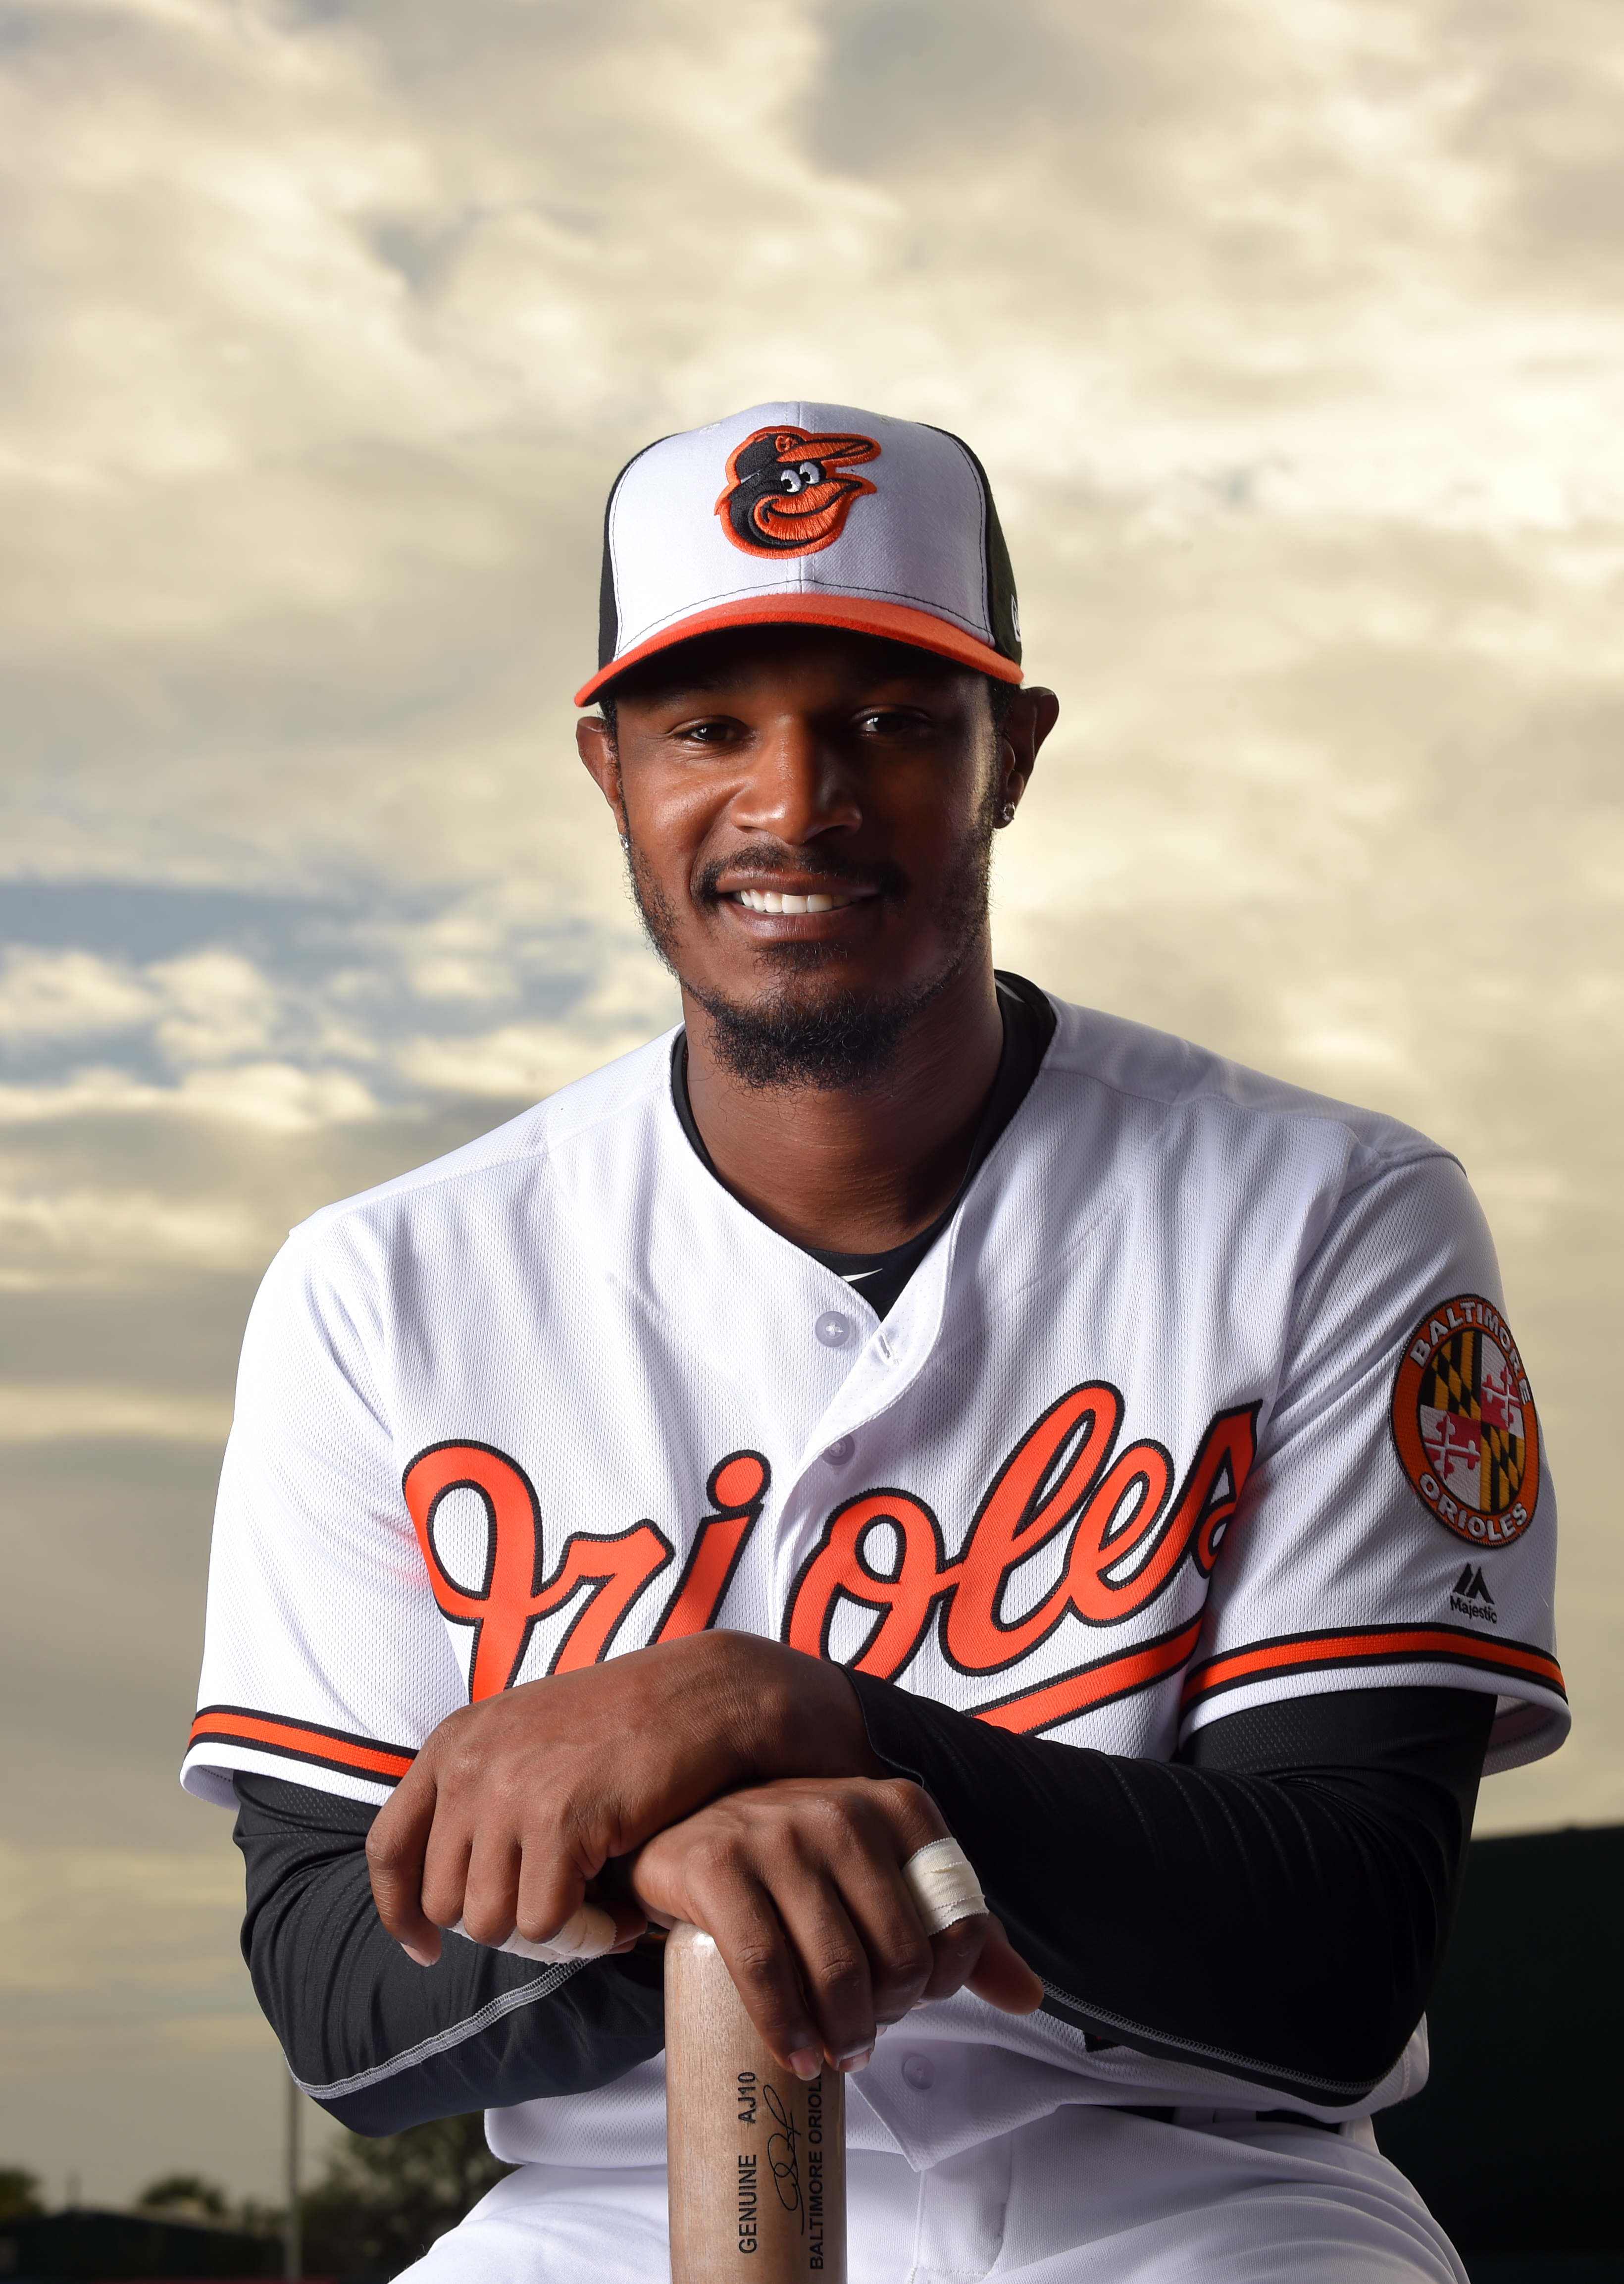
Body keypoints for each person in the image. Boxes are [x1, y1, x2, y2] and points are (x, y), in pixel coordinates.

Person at [183, 402, 1567, 2283]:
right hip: (604, 2201)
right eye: (710, 726)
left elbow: (1335, 1965)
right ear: (607, 767)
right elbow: (341, 2001)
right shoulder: (385, 1285)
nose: (794, 801)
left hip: (1200, 2194)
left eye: (892, 721)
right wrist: (674, 1865)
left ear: (1016, 754)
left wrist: (805, 1714)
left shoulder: (1329, 1211)